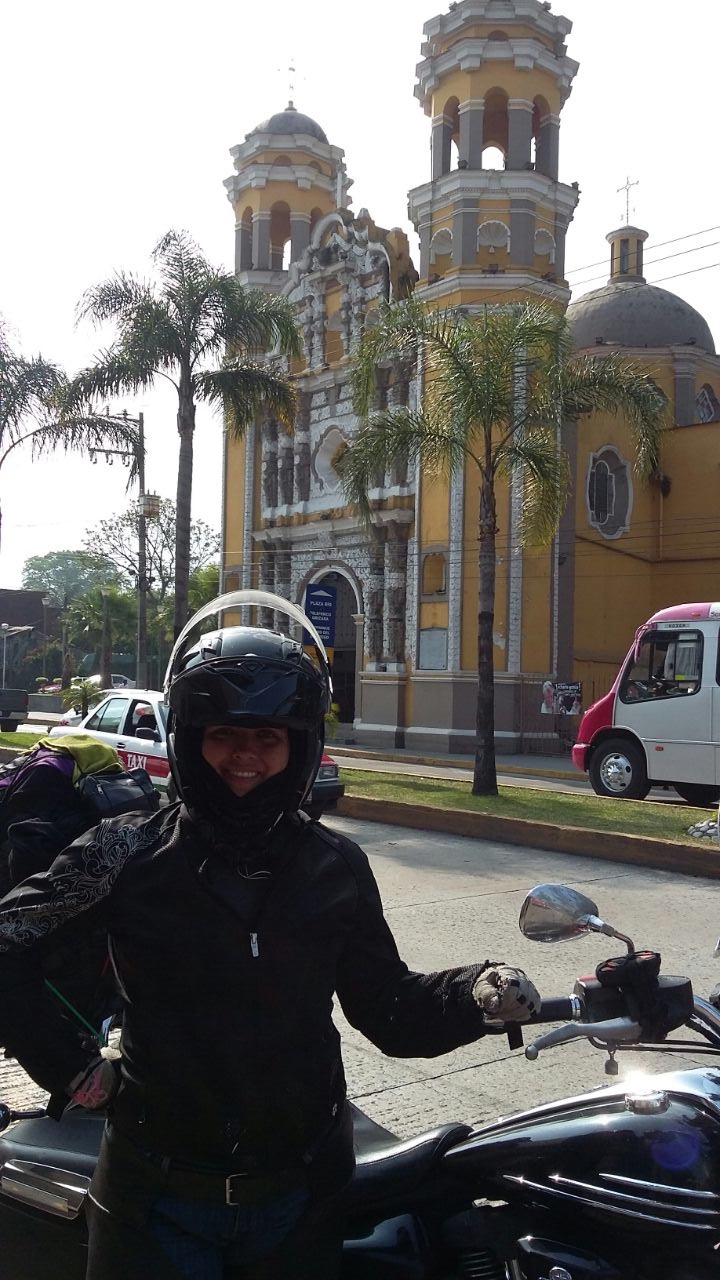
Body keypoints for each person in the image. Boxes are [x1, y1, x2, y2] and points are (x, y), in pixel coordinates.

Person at [0, 619, 541, 1280]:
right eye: (223, 735)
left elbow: (389, 1010)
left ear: (301, 743)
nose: (244, 756)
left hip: (298, 1201)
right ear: (191, 740)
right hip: (154, 1194)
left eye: (267, 737)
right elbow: (8, 943)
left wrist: (478, 991)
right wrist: (72, 1067)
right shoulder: (125, 850)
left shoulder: (334, 866)